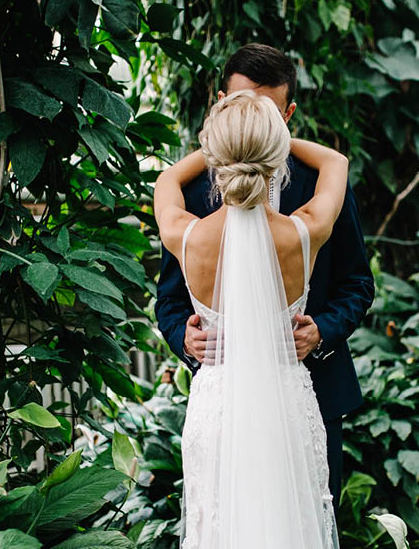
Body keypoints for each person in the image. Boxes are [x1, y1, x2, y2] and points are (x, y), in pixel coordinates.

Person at [155, 44, 374, 511]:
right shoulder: (309, 212)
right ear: (218, 102)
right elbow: (169, 303)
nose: (253, 117)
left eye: (267, 112)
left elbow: (358, 283)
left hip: (313, 396)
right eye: (241, 107)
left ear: (289, 113)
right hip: (226, 409)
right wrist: (184, 338)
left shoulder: (184, 207)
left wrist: (323, 331)